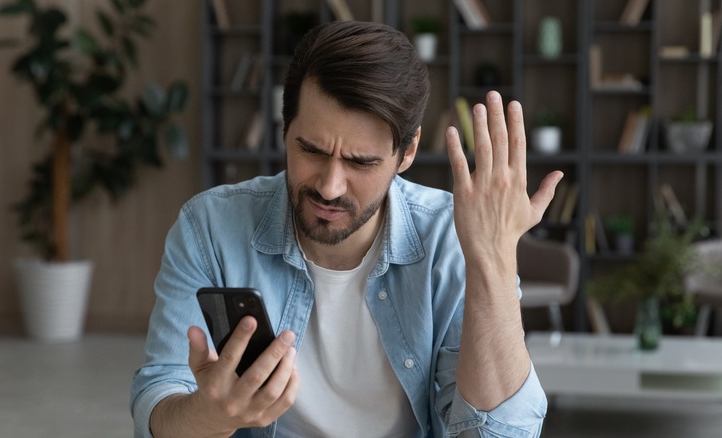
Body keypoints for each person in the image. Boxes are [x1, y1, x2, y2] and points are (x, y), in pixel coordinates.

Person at [131, 20, 560, 437]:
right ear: (285, 130)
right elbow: (159, 400)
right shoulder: (209, 227)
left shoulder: (451, 238)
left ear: (407, 152)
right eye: (311, 150)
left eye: (361, 162)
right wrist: (209, 417)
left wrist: (494, 259)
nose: (329, 186)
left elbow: (502, 434)